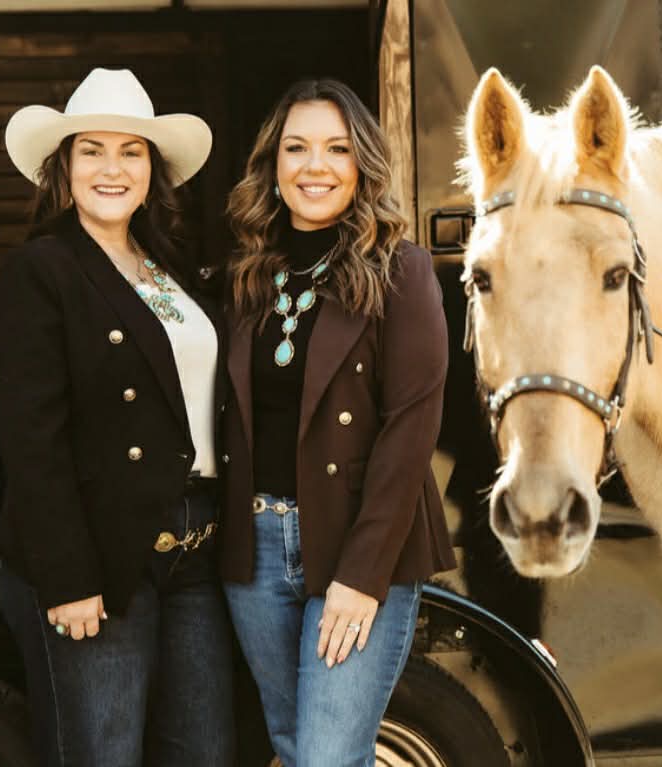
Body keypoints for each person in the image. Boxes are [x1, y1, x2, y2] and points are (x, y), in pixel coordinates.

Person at [0, 67, 233, 766]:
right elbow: (31, 439)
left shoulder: (170, 268)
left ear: (153, 169)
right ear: (63, 168)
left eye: (131, 151)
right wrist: (66, 576)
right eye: (91, 150)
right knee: (102, 755)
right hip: (96, 551)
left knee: (206, 753)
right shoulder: (44, 271)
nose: (111, 168)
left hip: (195, 549)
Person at [218, 78, 456, 766]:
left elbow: (412, 429)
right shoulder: (245, 276)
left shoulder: (401, 272)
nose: (314, 166)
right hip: (254, 553)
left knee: (326, 756)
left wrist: (363, 573)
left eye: (336, 149)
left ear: (363, 167)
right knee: (296, 750)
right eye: (296, 148)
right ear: (272, 164)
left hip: (356, 544)